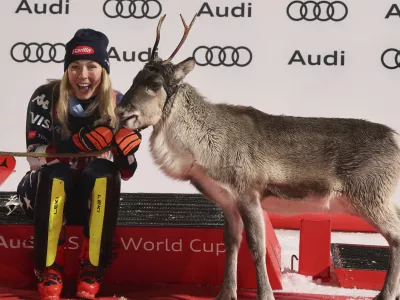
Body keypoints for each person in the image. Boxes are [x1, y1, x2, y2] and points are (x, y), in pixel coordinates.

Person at [16, 28, 142, 300]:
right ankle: (48, 268)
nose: (82, 76)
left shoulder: (117, 102)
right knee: (55, 171)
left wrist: (125, 152)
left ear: (104, 70)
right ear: (66, 70)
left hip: (89, 197)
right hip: (43, 191)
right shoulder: (45, 97)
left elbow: (127, 172)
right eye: (74, 67)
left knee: (104, 172)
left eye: (91, 66)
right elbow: (33, 157)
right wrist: (78, 145)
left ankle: (92, 268)